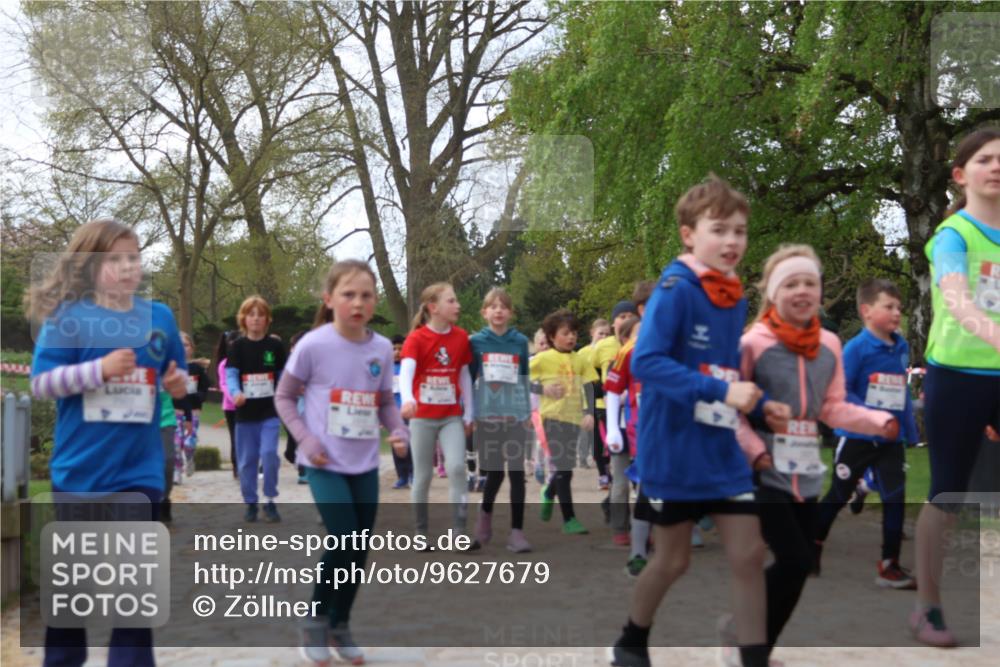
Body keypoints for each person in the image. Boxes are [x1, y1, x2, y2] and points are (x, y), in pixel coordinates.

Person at [609, 176, 779, 667]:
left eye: (741, 232)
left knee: (748, 554)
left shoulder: (736, 297)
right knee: (673, 560)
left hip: (721, 448)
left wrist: (758, 402)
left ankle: (751, 656)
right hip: (674, 449)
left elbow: (722, 372)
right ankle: (632, 640)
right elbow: (647, 363)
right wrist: (723, 390)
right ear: (689, 234)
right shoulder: (676, 288)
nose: (732, 242)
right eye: (719, 230)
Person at [27, 217, 187, 667]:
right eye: (113, 259)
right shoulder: (69, 318)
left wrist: (178, 383)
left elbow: (177, 374)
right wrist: (97, 371)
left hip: (139, 473)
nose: (126, 267)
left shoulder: (159, 317)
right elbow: (40, 384)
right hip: (80, 473)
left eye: (133, 257)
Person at [735, 244, 899, 664]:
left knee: (800, 562)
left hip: (805, 469)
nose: (802, 290)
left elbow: (832, 407)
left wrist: (875, 421)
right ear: (773, 292)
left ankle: (755, 643)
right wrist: (755, 452)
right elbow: (729, 410)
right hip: (761, 469)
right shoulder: (753, 343)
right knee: (793, 559)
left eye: (810, 282)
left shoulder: (829, 343)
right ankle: (750, 646)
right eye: (791, 283)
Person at [275, 259, 408, 665]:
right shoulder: (313, 345)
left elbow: (384, 401)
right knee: (344, 538)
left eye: (366, 295)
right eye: (348, 294)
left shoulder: (382, 348)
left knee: (359, 548)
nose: (357, 302)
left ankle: (341, 623)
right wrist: (306, 438)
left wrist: (398, 430)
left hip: (364, 463)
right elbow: (284, 397)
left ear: (374, 302)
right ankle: (315, 622)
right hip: (322, 461)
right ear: (329, 298)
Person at [911, 127, 1000, 647]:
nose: (997, 166)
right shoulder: (953, 236)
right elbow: (959, 300)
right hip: (958, 375)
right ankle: (928, 607)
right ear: (962, 175)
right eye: (986, 159)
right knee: (947, 491)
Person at [812, 278, 919, 588]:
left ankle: (889, 565)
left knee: (895, 497)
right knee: (839, 493)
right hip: (856, 437)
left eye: (899, 307)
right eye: (889, 306)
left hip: (890, 440)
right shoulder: (856, 349)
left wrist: (909, 432)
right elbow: (841, 392)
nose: (897, 312)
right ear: (867, 311)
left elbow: (901, 394)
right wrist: (871, 417)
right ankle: (813, 544)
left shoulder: (901, 347)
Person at [399, 282, 476, 546]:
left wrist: (470, 413)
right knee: (422, 475)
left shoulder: (461, 337)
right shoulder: (417, 338)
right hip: (422, 418)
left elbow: (464, 376)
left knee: (456, 467)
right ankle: (420, 533)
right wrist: (408, 399)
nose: (458, 305)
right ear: (434, 308)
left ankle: (459, 532)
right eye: (451, 301)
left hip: (451, 416)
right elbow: (406, 372)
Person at [469, 287, 534, 552]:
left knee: (517, 473)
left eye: (503, 306)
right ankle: (484, 519)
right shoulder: (476, 342)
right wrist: (471, 414)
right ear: (484, 312)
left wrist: (527, 412)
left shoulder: (519, 342)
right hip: (487, 416)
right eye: (493, 306)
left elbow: (524, 378)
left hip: (516, 415)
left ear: (511, 312)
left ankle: (517, 533)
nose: (498, 311)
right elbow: (468, 379)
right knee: (494, 473)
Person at [531, 308, 598, 535]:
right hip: (551, 418)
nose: (571, 337)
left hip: (574, 419)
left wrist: (589, 411)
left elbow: (589, 385)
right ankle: (569, 519)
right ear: (551, 336)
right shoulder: (541, 359)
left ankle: (549, 493)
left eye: (574, 333)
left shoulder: (580, 359)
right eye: (565, 333)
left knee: (565, 468)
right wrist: (543, 388)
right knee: (564, 468)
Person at [226, 295, 287, 523]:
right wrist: (235, 394)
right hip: (245, 414)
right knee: (247, 461)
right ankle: (250, 502)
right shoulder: (237, 347)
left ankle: (270, 500)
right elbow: (231, 375)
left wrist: (285, 392)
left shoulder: (275, 346)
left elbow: (282, 376)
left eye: (260, 315)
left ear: (267, 319)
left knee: (270, 455)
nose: (256, 319)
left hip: (269, 411)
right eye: (251, 314)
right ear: (243, 318)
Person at [174, 332, 208, 479]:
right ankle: (177, 470)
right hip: (176, 410)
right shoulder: (171, 367)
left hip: (193, 410)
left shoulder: (197, 368)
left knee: (188, 443)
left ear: (192, 348)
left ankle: (189, 457)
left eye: (186, 345)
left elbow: (204, 387)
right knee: (176, 443)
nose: (182, 348)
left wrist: (200, 397)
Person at [214, 330, 240, 478]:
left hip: (245, 405)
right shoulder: (224, 364)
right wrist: (234, 398)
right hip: (231, 407)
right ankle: (236, 465)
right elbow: (224, 384)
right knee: (235, 436)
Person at [390, 334, 414, 489]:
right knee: (397, 445)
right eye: (394, 349)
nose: (397, 352)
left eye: (400, 348)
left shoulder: (408, 367)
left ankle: (413, 473)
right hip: (392, 413)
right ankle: (402, 476)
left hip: (409, 411)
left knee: (411, 444)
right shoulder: (386, 368)